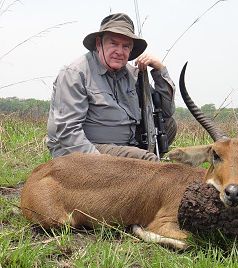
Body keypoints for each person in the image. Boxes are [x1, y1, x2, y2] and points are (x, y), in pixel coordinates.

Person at [47, 13, 176, 161]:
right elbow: (67, 132)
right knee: (147, 160)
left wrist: (160, 71)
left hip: (125, 146)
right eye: (113, 43)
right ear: (98, 43)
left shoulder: (133, 74)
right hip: (84, 150)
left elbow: (166, 111)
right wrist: (104, 166)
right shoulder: (75, 73)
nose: (119, 52)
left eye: (126, 46)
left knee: (168, 125)